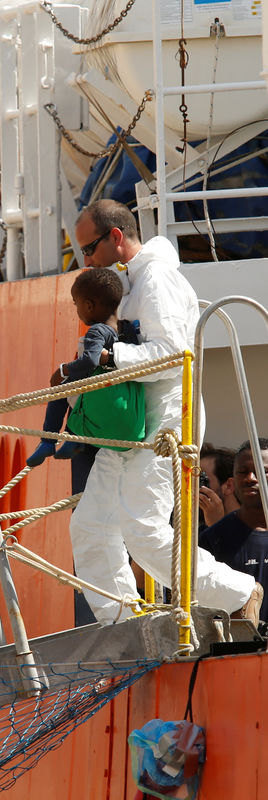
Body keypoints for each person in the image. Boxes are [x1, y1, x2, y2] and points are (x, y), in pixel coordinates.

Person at [68, 199, 262, 626]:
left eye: (88, 248)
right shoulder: (129, 282)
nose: (84, 260)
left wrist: (106, 358)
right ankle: (123, 623)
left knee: (144, 532)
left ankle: (240, 591)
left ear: (116, 238)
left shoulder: (156, 279)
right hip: (131, 422)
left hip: (164, 422)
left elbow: (175, 354)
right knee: (91, 526)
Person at [27, 268, 144, 467]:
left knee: (61, 389)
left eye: (76, 304)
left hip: (96, 390)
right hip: (122, 400)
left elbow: (91, 360)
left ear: (88, 306)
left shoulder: (96, 330)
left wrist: (63, 370)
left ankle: (48, 440)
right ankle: (72, 437)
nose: (77, 309)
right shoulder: (128, 328)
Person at [200, 439, 268, 624]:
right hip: (241, 651)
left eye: (262, 471)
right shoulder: (212, 540)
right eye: (243, 472)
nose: (251, 478)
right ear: (233, 479)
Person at [199, 442, 239, 530]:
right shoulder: (196, 535)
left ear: (229, 486)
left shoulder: (257, 530)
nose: (192, 488)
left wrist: (216, 526)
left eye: (201, 479)